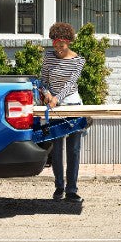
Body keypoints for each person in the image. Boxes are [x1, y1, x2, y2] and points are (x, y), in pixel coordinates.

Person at [40, 22, 86, 203]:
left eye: (62, 46)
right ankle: (59, 187)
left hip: (72, 105)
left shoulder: (78, 61)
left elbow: (70, 85)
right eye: (55, 45)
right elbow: (43, 80)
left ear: (69, 43)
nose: (58, 49)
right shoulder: (49, 57)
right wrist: (47, 93)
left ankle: (72, 190)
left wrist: (56, 98)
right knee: (57, 149)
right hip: (54, 107)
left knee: (73, 149)